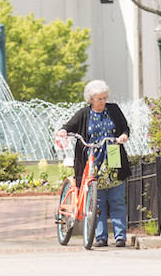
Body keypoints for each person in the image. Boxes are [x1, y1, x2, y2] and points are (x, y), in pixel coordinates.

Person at [56, 79, 131, 247]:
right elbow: (69, 126)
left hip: (112, 156)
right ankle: (100, 237)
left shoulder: (114, 110)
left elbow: (125, 127)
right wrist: (63, 131)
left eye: (104, 98)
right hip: (92, 158)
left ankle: (120, 236)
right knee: (97, 201)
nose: (103, 101)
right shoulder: (84, 113)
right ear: (91, 99)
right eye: (99, 99)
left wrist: (124, 136)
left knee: (117, 199)